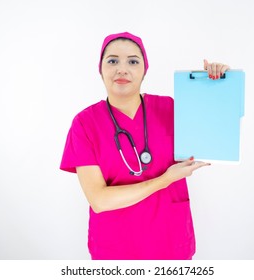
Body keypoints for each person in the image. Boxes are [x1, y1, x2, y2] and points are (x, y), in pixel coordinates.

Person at [60, 32, 230, 260]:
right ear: (100, 69)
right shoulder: (85, 124)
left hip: (171, 243)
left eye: (132, 61)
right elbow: (99, 200)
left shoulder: (171, 109)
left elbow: (218, 136)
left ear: (144, 69)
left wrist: (218, 87)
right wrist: (164, 180)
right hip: (115, 249)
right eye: (112, 61)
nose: (122, 69)